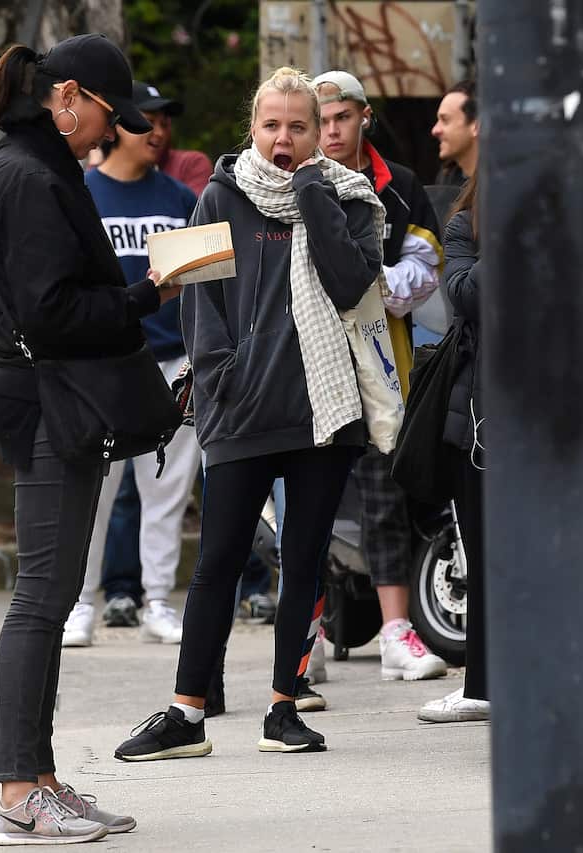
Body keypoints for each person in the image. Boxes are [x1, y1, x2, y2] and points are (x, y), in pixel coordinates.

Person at [115, 66, 383, 761]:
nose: (285, 137)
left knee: (304, 561)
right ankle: (186, 712)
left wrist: (312, 193)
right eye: (273, 124)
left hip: (324, 414)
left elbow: (353, 285)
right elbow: (200, 310)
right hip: (239, 413)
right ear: (253, 128)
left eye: (301, 125)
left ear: (320, 133)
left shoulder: (350, 199)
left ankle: (285, 706)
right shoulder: (218, 197)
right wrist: (220, 378)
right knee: (219, 561)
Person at [0, 35, 172, 845]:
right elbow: (52, 312)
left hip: (58, 399)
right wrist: (147, 293)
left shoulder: (34, 166)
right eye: (105, 118)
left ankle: (39, 775)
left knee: (50, 599)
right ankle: (20, 786)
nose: (111, 135)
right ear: (68, 97)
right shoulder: (29, 176)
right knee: (42, 599)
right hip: (53, 400)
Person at [313, 69, 448, 682]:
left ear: (364, 116)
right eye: (321, 119)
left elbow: (424, 272)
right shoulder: (291, 181)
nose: (330, 130)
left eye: (341, 117)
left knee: (383, 496)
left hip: (380, 370)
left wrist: (364, 284)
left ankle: (397, 630)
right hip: (306, 369)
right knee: (301, 501)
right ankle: (304, 633)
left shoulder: (400, 187)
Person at [61, 82, 201, 649]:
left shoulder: (178, 198)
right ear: (116, 125)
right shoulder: (82, 192)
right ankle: (78, 603)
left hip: (173, 361)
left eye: (166, 121)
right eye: (148, 121)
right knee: (93, 494)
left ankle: (160, 601)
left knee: (168, 491)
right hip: (106, 365)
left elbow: (199, 283)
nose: (160, 132)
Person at [416, 173, 491, 724]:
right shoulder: (468, 225)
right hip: (481, 420)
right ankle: (483, 685)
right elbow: (465, 295)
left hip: (555, 410)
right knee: (485, 554)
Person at [432, 79, 478, 187]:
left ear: (476, 126)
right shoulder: (447, 178)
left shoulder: (505, 186)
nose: (435, 130)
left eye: (445, 120)